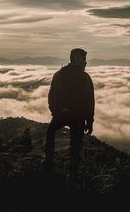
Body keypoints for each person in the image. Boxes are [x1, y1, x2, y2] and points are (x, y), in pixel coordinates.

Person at [44, 48, 95, 182]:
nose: (85, 62)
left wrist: (55, 112)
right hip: (77, 117)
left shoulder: (59, 74)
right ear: (74, 59)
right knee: (75, 148)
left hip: (61, 115)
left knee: (50, 136)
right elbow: (90, 101)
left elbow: (51, 96)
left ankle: (48, 168)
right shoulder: (84, 78)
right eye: (82, 58)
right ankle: (73, 176)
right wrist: (89, 121)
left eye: (85, 59)